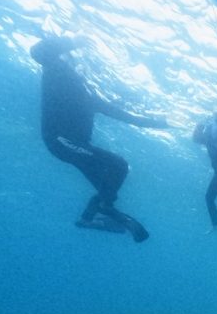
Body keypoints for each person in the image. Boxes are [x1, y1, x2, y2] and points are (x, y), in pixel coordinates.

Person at [30, 35, 168, 243]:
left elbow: (123, 115)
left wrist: (157, 122)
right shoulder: (56, 74)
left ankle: (91, 217)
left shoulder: (87, 95)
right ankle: (101, 209)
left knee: (108, 188)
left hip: (72, 146)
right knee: (119, 165)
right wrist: (75, 42)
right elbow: (39, 52)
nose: (80, 71)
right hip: (60, 141)